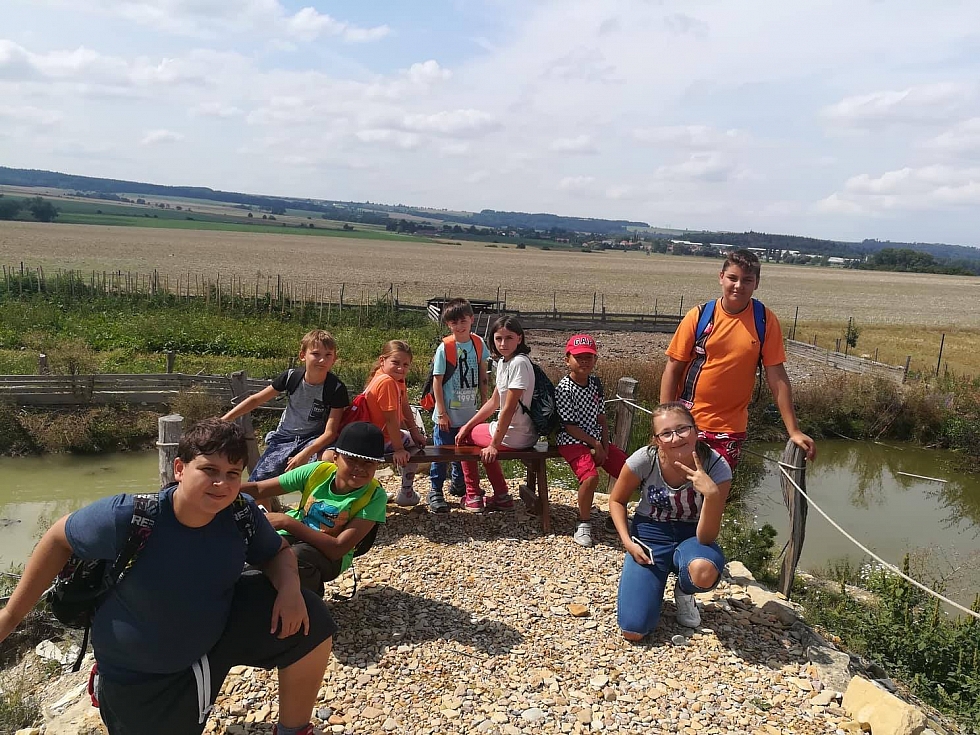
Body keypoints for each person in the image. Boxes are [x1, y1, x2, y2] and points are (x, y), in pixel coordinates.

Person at [0, 419, 335, 735]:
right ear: (179, 469)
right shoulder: (130, 516)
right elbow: (58, 538)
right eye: (209, 470)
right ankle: (105, 686)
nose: (222, 484)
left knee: (312, 618)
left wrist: (290, 589)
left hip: (210, 640)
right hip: (137, 676)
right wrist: (10, 616)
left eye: (233, 474)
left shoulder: (240, 513)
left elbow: (277, 552)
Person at [660, 249, 816, 471]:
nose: (738, 286)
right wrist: (665, 422)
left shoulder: (765, 321)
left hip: (730, 430)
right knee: (677, 488)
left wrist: (794, 430)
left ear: (756, 283)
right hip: (685, 423)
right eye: (732, 278)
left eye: (747, 280)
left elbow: (777, 377)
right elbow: (673, 369)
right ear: (721, 277)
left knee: (715, 490)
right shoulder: (699, 316)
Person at [610, 402, 732, 639]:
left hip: (693, 535)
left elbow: (706, 537)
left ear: (696, 430)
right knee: (633, 630)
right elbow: (617, 500)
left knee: (703, 572)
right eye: (666, 433)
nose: (676, 438)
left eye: (682, 429)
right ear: (657, 440)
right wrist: (627, 542)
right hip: (650, 533)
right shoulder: (645, 460)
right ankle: (650, 587)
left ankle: (684, 591)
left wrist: (712, 495)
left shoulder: (717, 467)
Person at [241, 422, 388, 597]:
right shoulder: (317, 472)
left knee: (295, 557)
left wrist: (286, 522)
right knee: (259, 550)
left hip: (328, 554)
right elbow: (259, 489)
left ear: (377, 466)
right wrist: (222, 488)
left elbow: (337, 548)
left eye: (368, 463)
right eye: (351, 460)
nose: (359, 468)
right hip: (295, 535)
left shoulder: (375, 496)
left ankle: (308, 601)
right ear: (335, 458)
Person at [223, 329, 349, 481]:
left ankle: (317, 496)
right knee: (257, 482)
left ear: (334, 359)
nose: (322, 360)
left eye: (328, 355)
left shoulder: (336, 388)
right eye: (316, 354)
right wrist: (224, 419)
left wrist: (305, 453)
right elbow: (255, 400)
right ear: (302, 355)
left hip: (314, 439)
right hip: (284, 437)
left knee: (329, 459)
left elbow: (330, 433)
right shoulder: (291, 377)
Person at [457, 315, 537, 512]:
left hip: (518, 435)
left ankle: (473, 495)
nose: (503, 344)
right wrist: (468, 425)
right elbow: (494, 403)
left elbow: (508, 408)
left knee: (465, 439)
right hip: (515, 432)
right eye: (498, 338)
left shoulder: (519, 363)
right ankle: (501, 496)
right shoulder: (503, 362)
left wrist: (493, 444)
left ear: (519, 338)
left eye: (509, 338)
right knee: (469, 433)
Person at [555, 333, 628, 547]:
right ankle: (583, 521)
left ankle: (616, 516)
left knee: (630, 469)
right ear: (567, 359)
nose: (584, 362)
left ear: (595, 359)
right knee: (590, 477)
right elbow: (569, 426)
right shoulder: (564, 388)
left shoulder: (595, 383)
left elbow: (601, 418)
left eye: (589, 357)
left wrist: (604, 445)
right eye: (579, 357)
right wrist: (595, 444)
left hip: (596, 439)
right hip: (571, 440)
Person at [427, 298, 488, 513]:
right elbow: (437, 381)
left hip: (469, 413)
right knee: (441, 454)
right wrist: (441, 412)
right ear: (448, 324)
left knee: (464, 453)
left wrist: (485, 403)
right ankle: (435, 490)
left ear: (471, 319)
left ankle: (459, 484)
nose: (460, 326)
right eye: (454, 323)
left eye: (463, 321)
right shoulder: (445, 348)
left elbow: (483, 375)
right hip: (447, 414)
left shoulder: (479, 344)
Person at [362, 339, 427, 506]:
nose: (401, 368)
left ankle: (376, 489)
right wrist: (398, 449)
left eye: (405, 365)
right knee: (414, 446)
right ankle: (406, 491)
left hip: (372, 436)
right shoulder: (387, 382)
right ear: (382, 360)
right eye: (395, 363)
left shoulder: (394, 379)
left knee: (413, 439)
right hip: (379, 440)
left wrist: (414, 431)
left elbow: (404, 406)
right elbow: (390, 420)